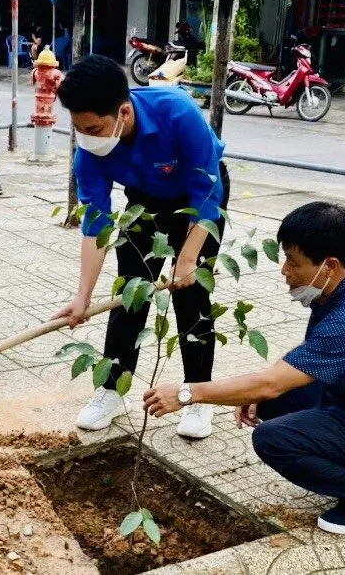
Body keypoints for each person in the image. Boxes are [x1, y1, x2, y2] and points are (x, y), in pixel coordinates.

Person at [143, 202, 345, 535]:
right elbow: (308, 357)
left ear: (329, 266)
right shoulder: (343, 288)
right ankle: (341, 467)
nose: (285, 270)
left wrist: (186, 394)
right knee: (268, 399)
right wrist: (261, 390)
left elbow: (271, 382)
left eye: (293, 263)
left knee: (273, 438)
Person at [52, 55, 230, 440]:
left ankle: (197, 394)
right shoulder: (90, 151)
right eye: (78, 129)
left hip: (198, 198)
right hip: (144, 203)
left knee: (191, 293)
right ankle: (113, 391)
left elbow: (208, 192)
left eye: (94, 128)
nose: (86, 137)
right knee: (131, 289)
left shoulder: (176, 111)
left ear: (123, 112)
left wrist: (187, 259)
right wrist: (82, 296)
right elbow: (96, 223)